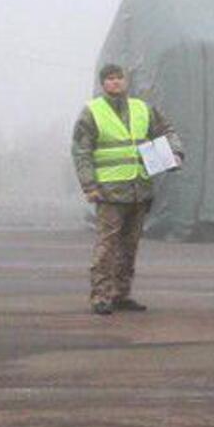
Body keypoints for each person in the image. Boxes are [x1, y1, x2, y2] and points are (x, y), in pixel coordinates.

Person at [71, 63, 181, 316]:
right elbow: (81, 151)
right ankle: (101, 296)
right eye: (110, 78)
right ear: (103, 83)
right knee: (107, 246)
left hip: (138, 189)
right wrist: (89, 185)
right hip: (109, 191)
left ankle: (121, 294)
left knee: (129, 247)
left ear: (126, 81)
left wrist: (175, 153)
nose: (115, 82)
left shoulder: (142, 108)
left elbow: (165, 131)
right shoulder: (92, 112)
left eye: (119, 77)